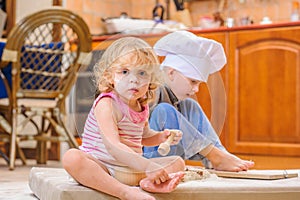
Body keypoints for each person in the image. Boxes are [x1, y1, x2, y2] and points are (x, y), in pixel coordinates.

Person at [62, 36, 185, 200]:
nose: (134, 79)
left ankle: (148, 183)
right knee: (72, 158)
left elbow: (143, 137)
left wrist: (161, 137)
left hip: (129, 168)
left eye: (142, 73)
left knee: (178, 162)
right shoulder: (107, 103)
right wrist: (148, 165)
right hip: (102, 166)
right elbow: (113, 146)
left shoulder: (141, 105)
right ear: (110, 76)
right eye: (124, 72)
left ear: (150, 80)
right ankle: (124, 192)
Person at [143, 30, 254, 172]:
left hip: (168, 157)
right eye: (193, 81)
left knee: (191, 104)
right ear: (171, 72)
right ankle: (215, 156)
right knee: (164, 110)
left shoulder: (176, 97)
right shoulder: (148, 90)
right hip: (143, 163)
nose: (196, 90)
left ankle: (219, 156)